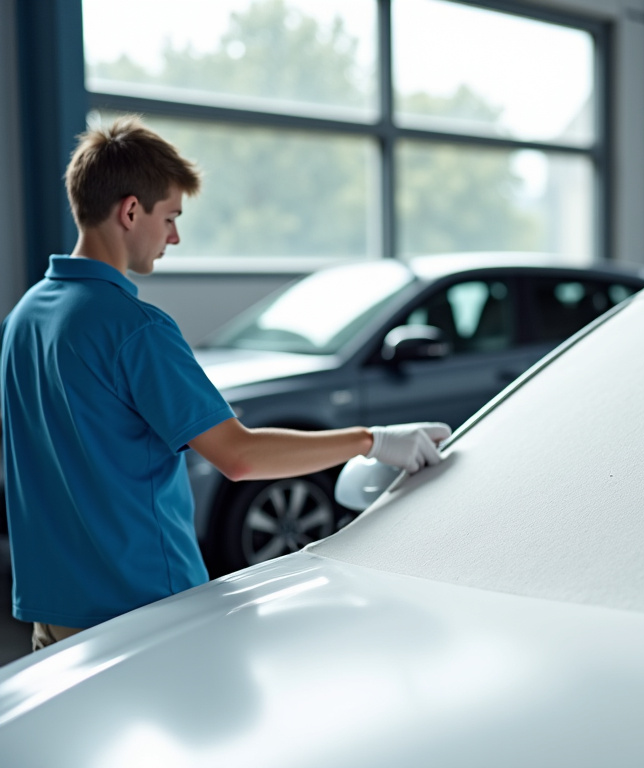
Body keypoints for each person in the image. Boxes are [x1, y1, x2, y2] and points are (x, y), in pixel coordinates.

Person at [0, 116, 449, 651]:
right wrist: (372, 440)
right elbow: (239, 455)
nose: (174, 237)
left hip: (52, 617)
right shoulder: (135, 329)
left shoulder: (24, 318)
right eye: (170, 217)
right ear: (130, 211)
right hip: (143, 613)